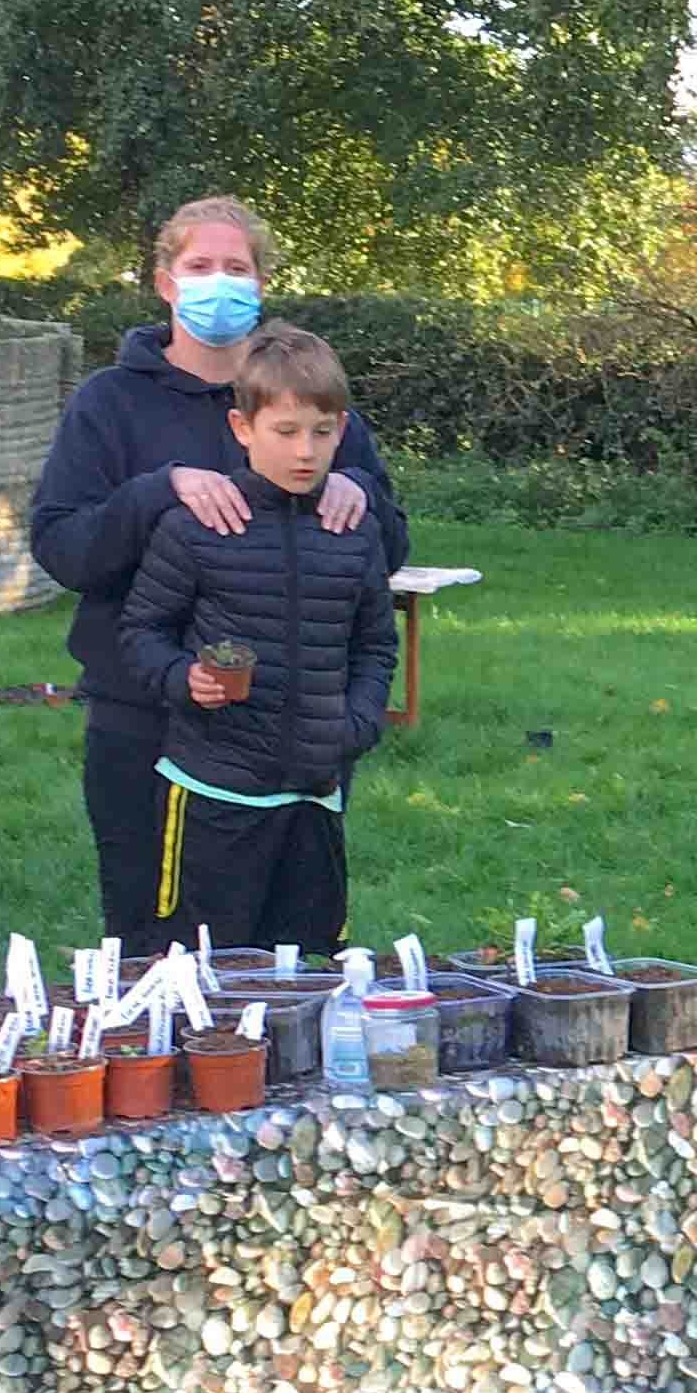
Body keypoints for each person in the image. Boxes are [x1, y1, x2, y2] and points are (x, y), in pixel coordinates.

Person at [32, 198, 406, 943]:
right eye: (199, 266)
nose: (218, 281)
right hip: (145, 723)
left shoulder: (315, 406)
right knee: (158, 942)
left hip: (296, 733)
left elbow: (385, 555)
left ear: (261, 282)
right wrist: (157, 490)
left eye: (236, 267)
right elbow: (63, 547)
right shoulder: (110, 403)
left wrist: (355, 489)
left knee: (290, 950)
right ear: (165, 282)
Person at [116, 324, 400, 950]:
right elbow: (141, 632)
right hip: (213, 794)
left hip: (315, 796)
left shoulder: (356, 530)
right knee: (204, 969)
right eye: (286, 431)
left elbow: (376, 645)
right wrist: (182, 677)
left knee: (309, 967)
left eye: (321, 433)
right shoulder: (195, 527)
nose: (305, 451)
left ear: (342, 429)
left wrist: (357, 724)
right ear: (242, 428)